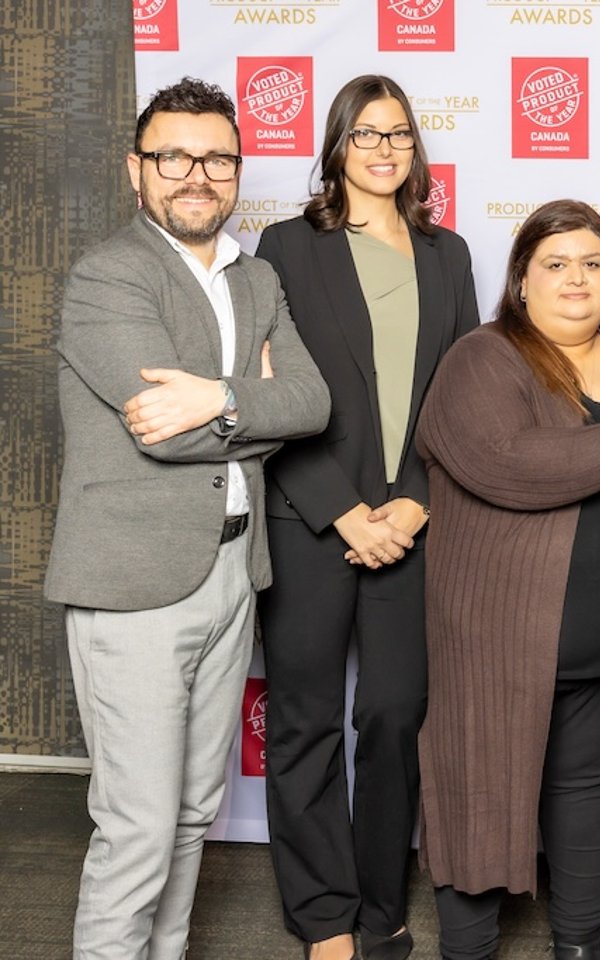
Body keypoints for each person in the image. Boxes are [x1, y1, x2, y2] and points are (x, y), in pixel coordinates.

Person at [44, 77, 330, 960]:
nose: (194, 174)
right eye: (172, 156)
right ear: (137, 171)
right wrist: (256, 404)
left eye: (215, 156)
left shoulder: (257, 277)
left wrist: (217, 399)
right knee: (137, 827)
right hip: (133, 586)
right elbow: (161, 434)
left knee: (193, 814)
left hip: (233, 575)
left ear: (238, 170)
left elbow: (314, 403)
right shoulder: (107, 277)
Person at [414, 200, 600, 960]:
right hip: (498, 643)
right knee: (480, 789)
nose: (576, 278)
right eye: (556, 264)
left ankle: (578, 943)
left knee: (586, 802)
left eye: (593, 263)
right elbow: (508, 465)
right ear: (522, 280)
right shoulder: (480, 360)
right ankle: (469, 947)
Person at [253, 75, 480, 960]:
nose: (385, 150)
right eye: (366, 135)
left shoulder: (448, 253)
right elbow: (269, 392)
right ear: (337, 146)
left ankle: (381, 907)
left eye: (399, 135)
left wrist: (416, 502)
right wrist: (344, 511)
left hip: (413, 521)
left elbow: (457, 396)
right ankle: (323, 920)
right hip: (311, 518)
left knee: (394, 712)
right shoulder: (285, 247)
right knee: (306, 718)